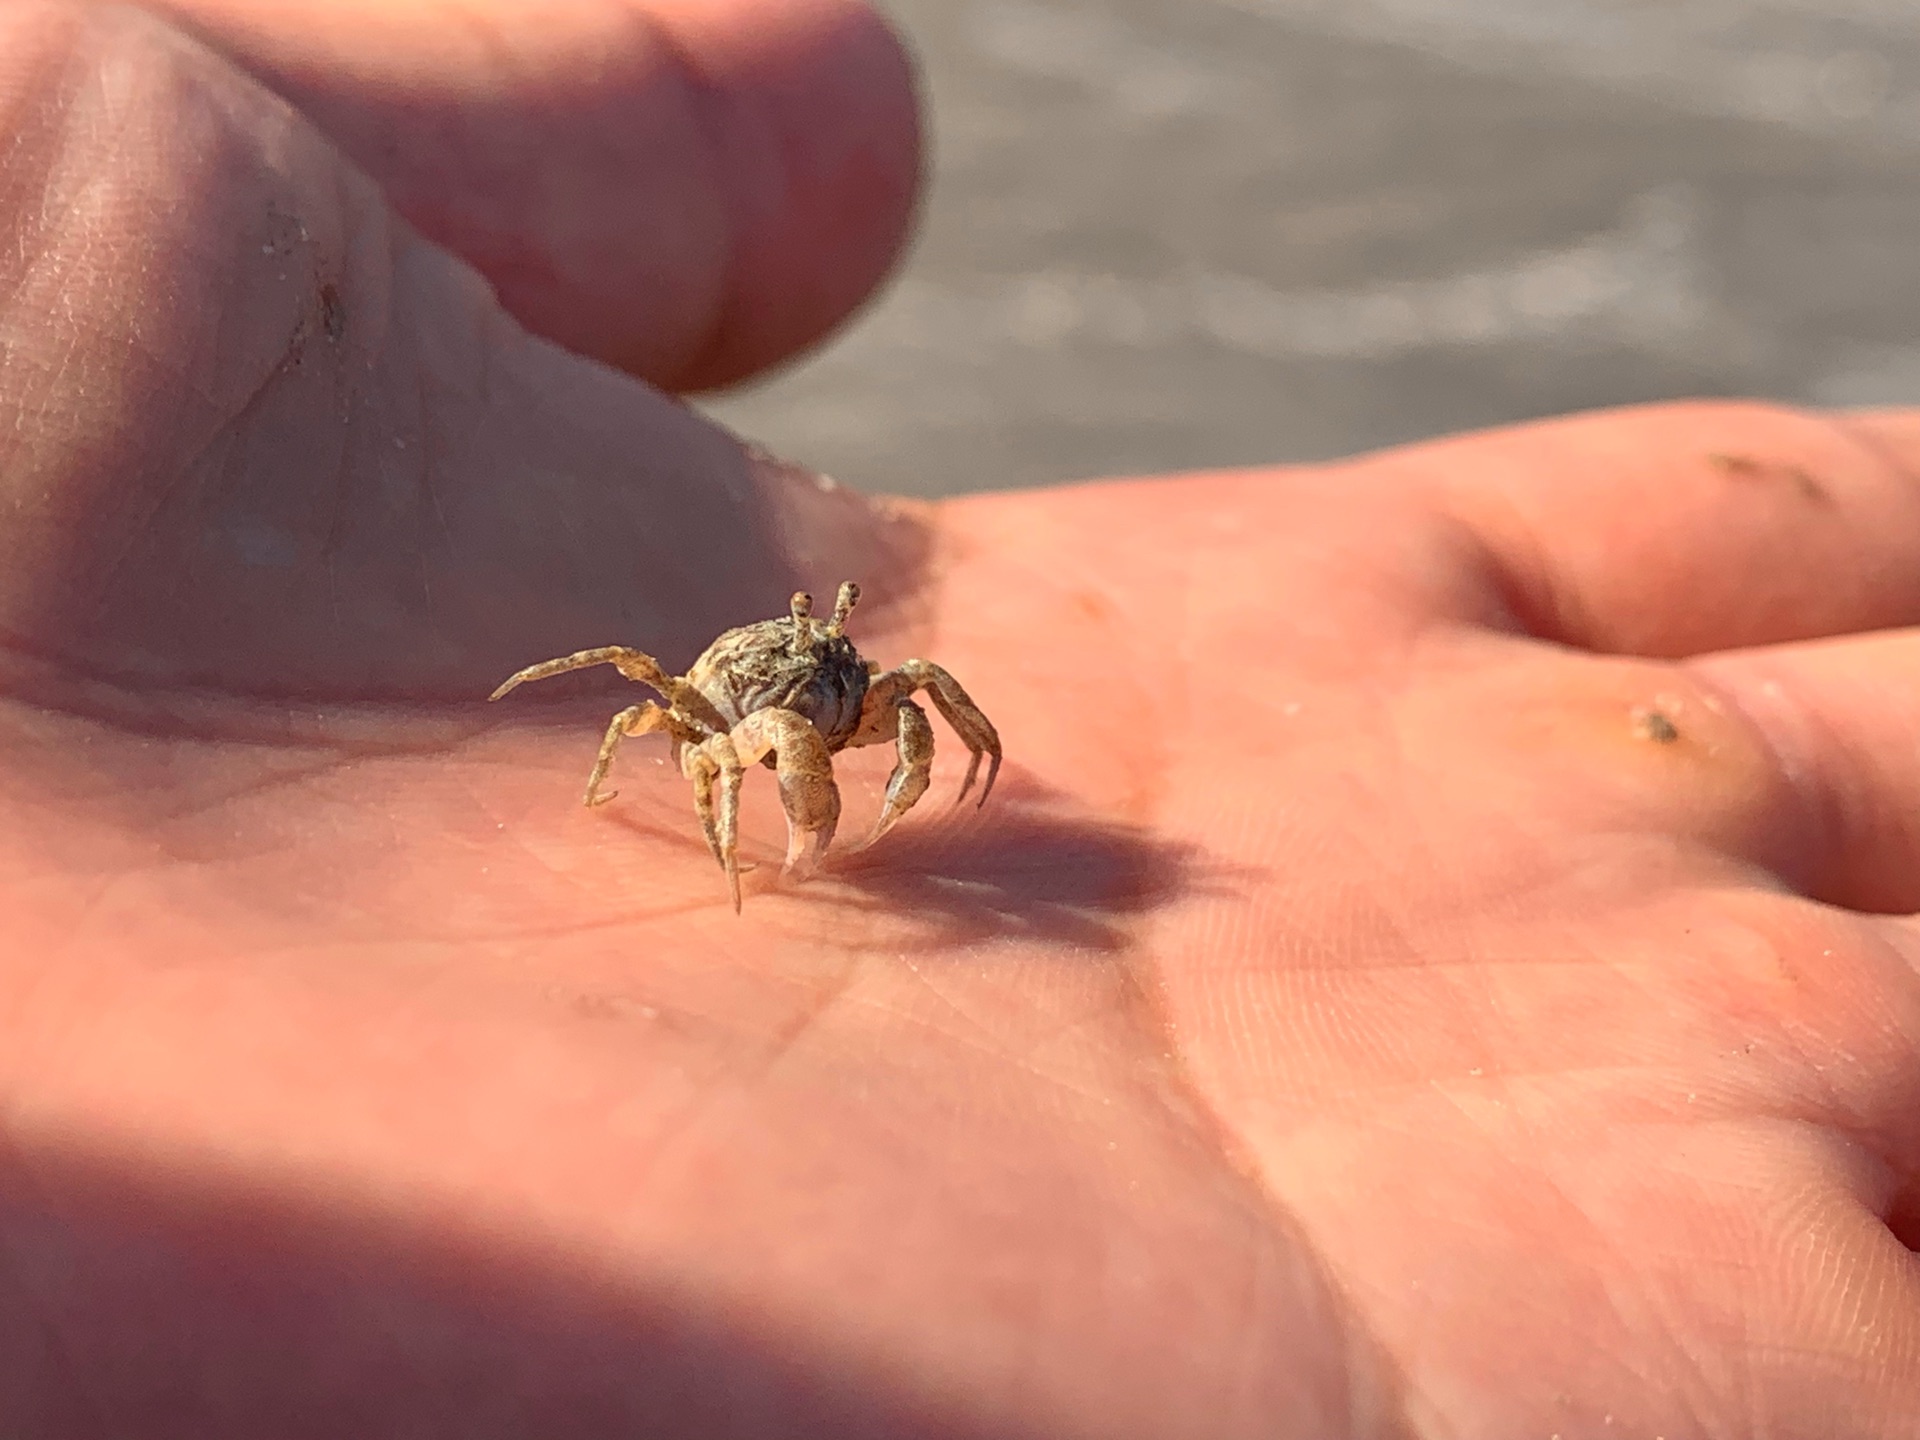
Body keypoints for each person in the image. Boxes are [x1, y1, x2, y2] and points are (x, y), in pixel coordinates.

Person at [3, 2, 1916, 1435]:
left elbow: (915, 699)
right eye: (831, 688)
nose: (854, 699)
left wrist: (945, 756)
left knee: (864, 698)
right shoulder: (726, 702)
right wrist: (689, 789)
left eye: (853, 686)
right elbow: (660, 703)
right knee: (656, 711)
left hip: (777, 681)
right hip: (710, 702)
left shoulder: (860, 678)